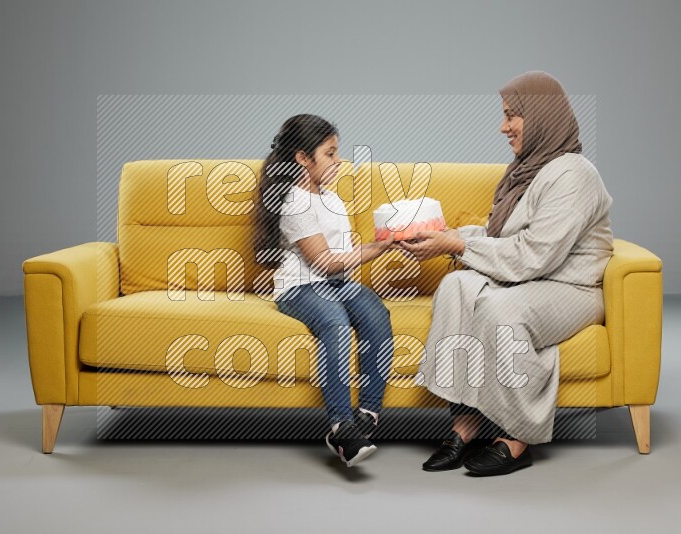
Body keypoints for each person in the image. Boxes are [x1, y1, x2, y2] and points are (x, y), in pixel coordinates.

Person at [398, 71, 614, 476]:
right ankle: (466, 424)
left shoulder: (574, 175)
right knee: (456, 286)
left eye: (513, 115)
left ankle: (518, 437)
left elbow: (536, 254)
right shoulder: (526, 169)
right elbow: (503, 235)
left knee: (501, 313)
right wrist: (446, 237)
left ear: (542, 116)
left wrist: (458, 246)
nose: (503, 126)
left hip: (569, 286)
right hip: (531, 280)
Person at [254, 114, 395, 467]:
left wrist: (387, 240)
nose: (338, 160)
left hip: (336, 282)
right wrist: (377, 250)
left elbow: (341, 262)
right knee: (334, 322)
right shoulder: (293, 203)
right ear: (303, 158)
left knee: (377, 314)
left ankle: (366, 415)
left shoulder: (332, 200)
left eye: (337, 153)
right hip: (301, 286)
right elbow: (324, 262)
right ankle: (339, 427)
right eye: (330, 153)